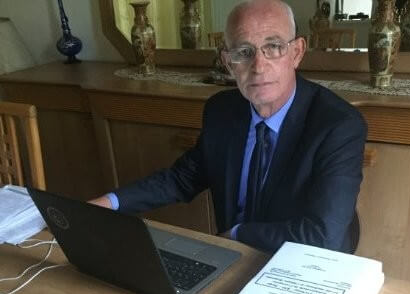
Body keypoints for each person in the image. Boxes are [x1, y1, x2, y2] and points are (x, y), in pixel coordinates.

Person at [91, 0, 367, 254]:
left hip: (304, 261)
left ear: (296, 52)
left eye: (273, 47)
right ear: (227, 62)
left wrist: (236, 234)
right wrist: (109, 203)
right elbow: (182, 178)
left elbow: (322, 236)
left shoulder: (338, 125)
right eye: (243, 52)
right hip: (235, 256)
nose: (258, 66)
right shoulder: (221, 111)